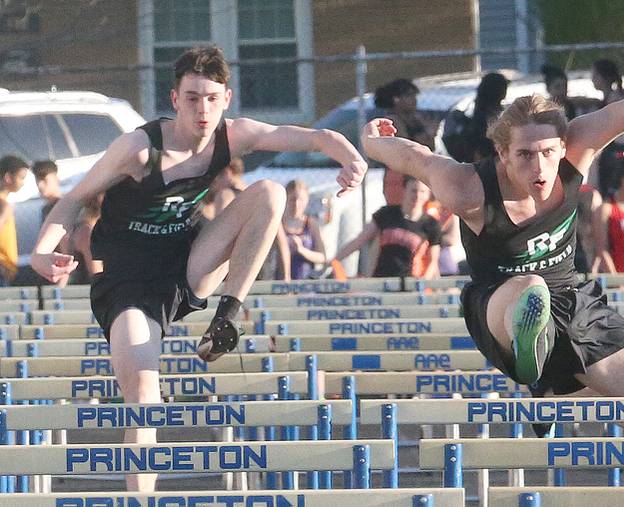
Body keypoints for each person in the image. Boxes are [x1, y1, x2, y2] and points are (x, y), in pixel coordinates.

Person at [29, 46, 367, 492]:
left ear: (226, 99)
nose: (202, 110)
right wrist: (41, 251)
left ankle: (227, 316)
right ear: (174, 100)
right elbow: (72, 198)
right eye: (192, 98)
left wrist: (352, 159)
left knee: (269, 192)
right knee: (144, 400)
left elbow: (316, 137)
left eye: (211, 98)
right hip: (130, 285)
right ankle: (141, 499)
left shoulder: (237, 135)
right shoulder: (137, 148)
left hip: (189, 265)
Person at [361, 63, 624, 437]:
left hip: (573, 302)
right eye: (524, 155)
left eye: (547, 152)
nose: (539, 167)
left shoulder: (579, 146)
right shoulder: (468, 187)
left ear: (562, 145)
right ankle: (533, 364)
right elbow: (415, 158)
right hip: (500, 308)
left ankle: (560, 396)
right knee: (530, 288)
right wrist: (373, 140)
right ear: (502, 152)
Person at [330, 176, 441, 278]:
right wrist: (334, 260)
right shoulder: (386, 214)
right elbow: (360, 240)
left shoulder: (431, 224)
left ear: (428, 195)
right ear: (404, 190)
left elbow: (433, 261)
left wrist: (423, 284)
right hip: (382, 278)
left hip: (411, 281)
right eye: (413, 190)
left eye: (422, 192)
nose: (417, 196)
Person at [374, 78, 435, 205]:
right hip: (399, 177)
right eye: (409, 96)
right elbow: (405, 147)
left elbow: (430, 146)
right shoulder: (391, 121)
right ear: (396, 99)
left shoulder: (416, 118)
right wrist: (426, 133)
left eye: (414, 95)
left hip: (420, 174)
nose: (414, 100)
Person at [283, 179, 325, 280]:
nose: (296, 204)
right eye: (292, 199)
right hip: (280, 281)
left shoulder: (311, 224)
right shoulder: (277, 224)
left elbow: (322, 257)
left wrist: (301, 250)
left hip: (304, 283)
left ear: (307, 201)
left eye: (300, 200)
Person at [0, 155, 28, 286]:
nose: (23, 183)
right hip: (3, 268)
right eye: (21, 178)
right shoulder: (3, 205)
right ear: (8, 177)